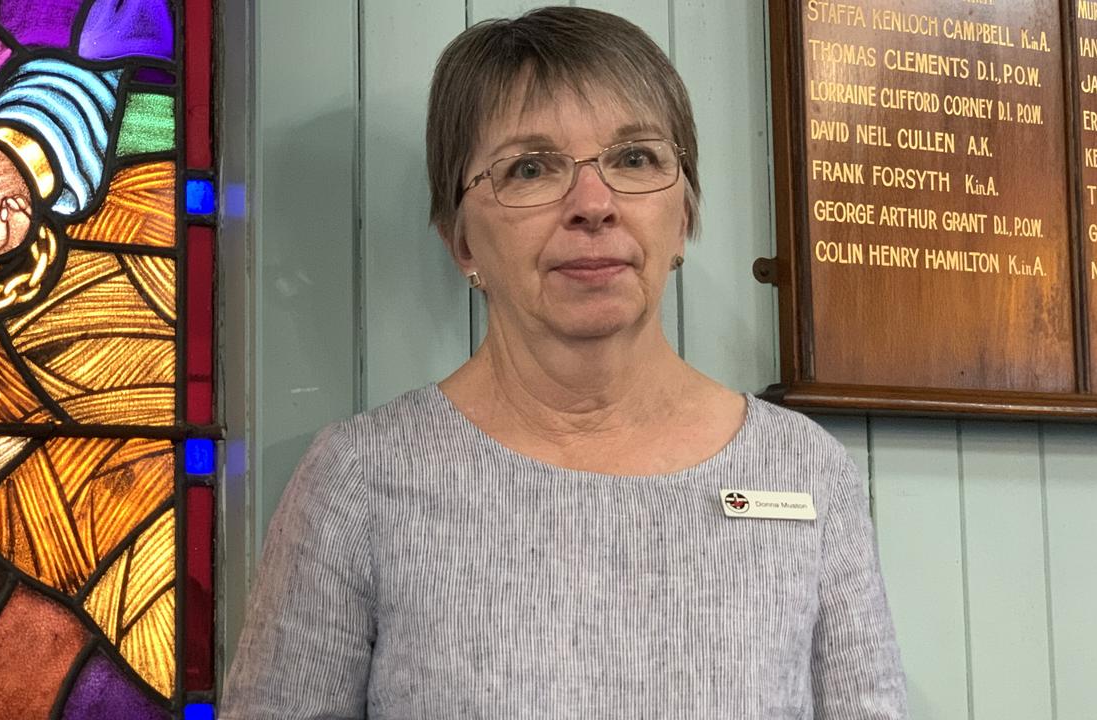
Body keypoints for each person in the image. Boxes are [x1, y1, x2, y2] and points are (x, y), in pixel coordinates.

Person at [222, 6, 906, 718]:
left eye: (635, 157)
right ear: (460, 241)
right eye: (530, 168)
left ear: (686, 213)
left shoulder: (803, 470)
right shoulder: (361, 480)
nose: (594, 204)